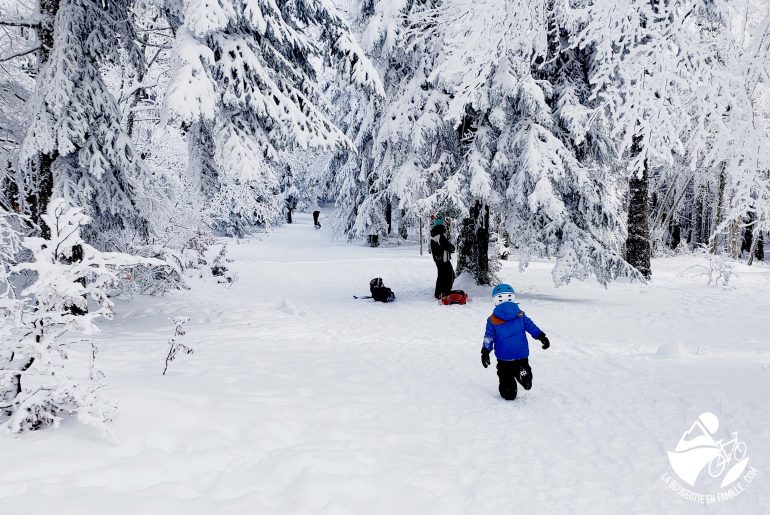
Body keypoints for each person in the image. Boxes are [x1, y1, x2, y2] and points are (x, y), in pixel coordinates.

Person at [480, 284, 550, 400]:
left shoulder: (492, 319)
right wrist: (541, 336)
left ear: (495, 300)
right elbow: (531, 326)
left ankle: (509, 391)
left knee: (507, 387)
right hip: (521, 354)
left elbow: (489, 337)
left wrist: (485, 351)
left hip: (504, 357)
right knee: (522, 366)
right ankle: (523, 372)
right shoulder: (520, 314)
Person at [430, 215, 455, 299]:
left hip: (438, 258)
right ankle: (445, 292)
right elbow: (444, 245)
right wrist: (451, 248)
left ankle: (439, 293)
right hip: (442, 258)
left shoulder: (435, 232)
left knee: (442, 275)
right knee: (449, 275)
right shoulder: (440, 233)